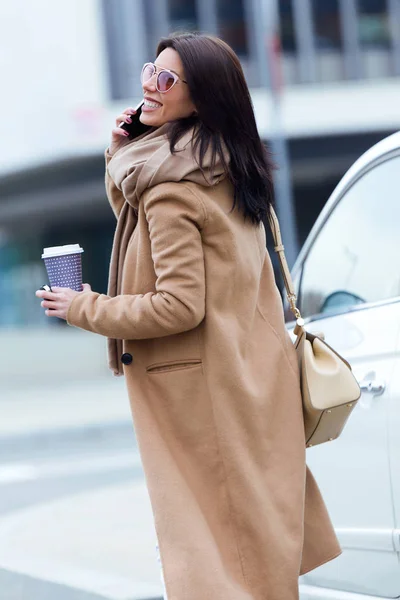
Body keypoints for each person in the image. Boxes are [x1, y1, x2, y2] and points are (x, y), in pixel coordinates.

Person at [35, 32, 341, 600]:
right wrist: (120, 151)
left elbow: (178, 304)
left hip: (201, 397)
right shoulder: (225, 165)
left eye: (168, 79)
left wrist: (83, 306)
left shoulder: (172, 188)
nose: (150, 83)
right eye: (152, 68)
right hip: (249, 377)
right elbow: (144, 238)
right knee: (254, 553)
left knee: (216, 564)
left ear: (200, 100)